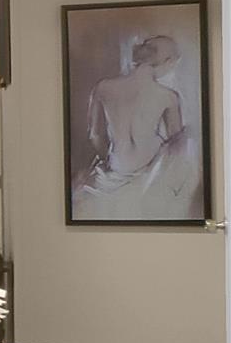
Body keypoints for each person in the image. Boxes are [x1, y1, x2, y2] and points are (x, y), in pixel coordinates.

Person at [74, 29, 201, 221]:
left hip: (117, 165)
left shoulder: (103, 88)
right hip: (149, 168)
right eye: (173, 64)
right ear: (166, 62)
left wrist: (107, 160)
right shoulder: (168, 97)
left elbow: (95, 136)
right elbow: (175, 143)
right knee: (188, 141)